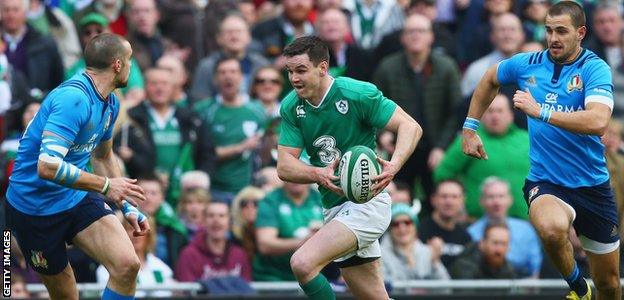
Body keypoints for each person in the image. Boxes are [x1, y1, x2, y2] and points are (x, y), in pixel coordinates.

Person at [462, 2, 620, 299]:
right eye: (548, 30)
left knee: (610, 284)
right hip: (547, 182)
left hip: (592, 186)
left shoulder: (594, 68)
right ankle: (579, 288)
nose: (553, 38)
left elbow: (598, 121)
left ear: (581, 33)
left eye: (562, 31)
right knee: (550, 228)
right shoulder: (527, 63)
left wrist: (541, 112)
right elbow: (489, 78)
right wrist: (470, 128)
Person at [5, 33, 150, 300]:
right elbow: (47, 166)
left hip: (74, 197)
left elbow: (103, 157)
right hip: (33, 209)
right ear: (117, 64)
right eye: (129, 60)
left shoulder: (111, 103)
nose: (132, 66)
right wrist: (107, 186)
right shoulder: (73, 100)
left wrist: (126, 204)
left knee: (127, 266)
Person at [277, 36, 421, 299]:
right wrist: (316, 172)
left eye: (301, 70)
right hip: (334, 208)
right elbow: (284, 166)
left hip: (367, 204)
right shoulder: (291, 107)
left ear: (322, 68)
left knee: (303, 263)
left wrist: (394, 165)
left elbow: (410, 126)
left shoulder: (356, 93)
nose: (294, 78)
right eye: (290, 72)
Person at [467, 177, 542, 278]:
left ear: (510, 200)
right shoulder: (471, 232)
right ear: (482, 201)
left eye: (501, 196)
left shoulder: (526, 230)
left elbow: (535, 269)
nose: (496, 202)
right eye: (491, 197)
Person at [253, 182, 323, 281]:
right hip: (274, 276)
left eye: (301, 173)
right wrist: (302, 242)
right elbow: (265, 244)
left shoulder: (320, 199)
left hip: (315, 274)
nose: (296, 179)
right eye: (292, 173)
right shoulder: (271, 200)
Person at [97, 212, 175, 298]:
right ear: (122, 233)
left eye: (141, 228)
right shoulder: (107, 269)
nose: (136, 232)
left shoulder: (162, 268)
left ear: (149, 235)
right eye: (130, 228)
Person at [381, 203, 449, 281]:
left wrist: (435, 263)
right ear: (389, 229)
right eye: (396, 224)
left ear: (415, 227)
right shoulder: (380, 255)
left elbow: (446, 289)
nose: (402, 228)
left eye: (407, 222)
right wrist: (409, 267)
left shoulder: (428, 252)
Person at [450, 222, 517, 279]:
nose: (499, 249)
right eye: (495, 243)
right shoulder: (465, 267)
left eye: (503, 244)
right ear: (482, 244)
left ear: (509, 248)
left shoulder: (508, 270)